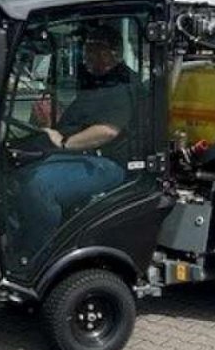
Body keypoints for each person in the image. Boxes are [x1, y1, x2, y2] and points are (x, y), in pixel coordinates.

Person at [12, 25, 134, 259]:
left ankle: (39, 256)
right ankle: (14, 242)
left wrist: (65, 142)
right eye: (87, 49)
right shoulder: (98, 81)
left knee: (38, 186)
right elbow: (85, 119)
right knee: (13, 160)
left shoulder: (121, 84)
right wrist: (53, 121)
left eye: (94, 50)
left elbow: (107, 130)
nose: (87, 56)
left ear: (112, 53)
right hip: (84, 155)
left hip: (107, 162)